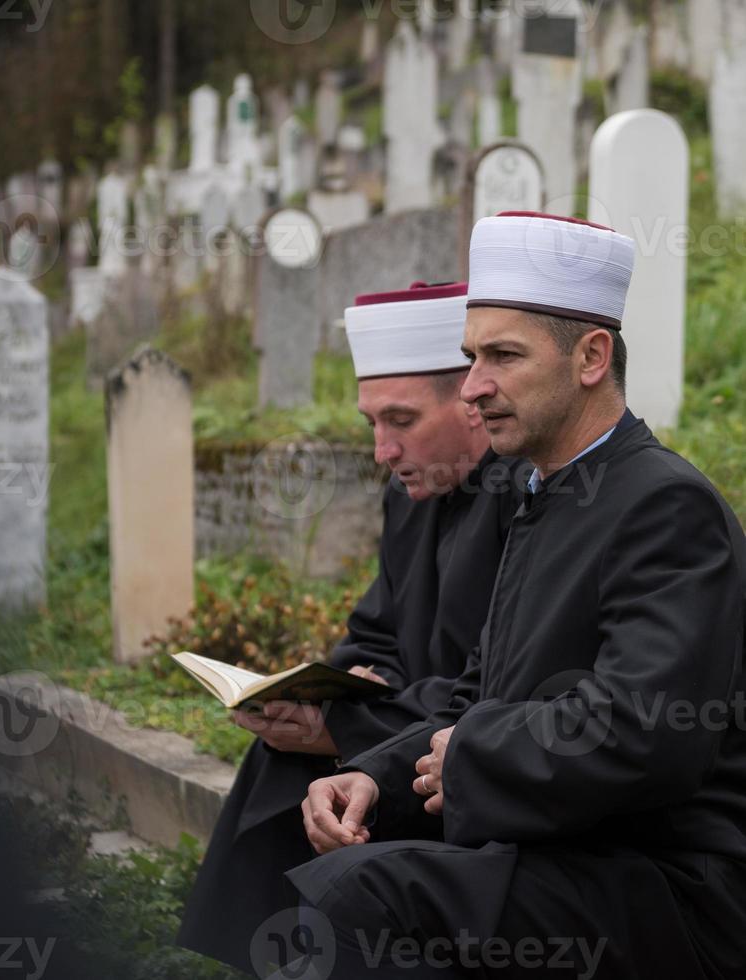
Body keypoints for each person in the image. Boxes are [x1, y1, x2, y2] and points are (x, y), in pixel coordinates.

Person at [291, 212, 746, 979]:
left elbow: (648, 735)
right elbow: (481, 691)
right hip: (569, 848)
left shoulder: (664, 504)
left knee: (367, 890)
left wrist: (473, 756)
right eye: (471, 357)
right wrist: (376, 774)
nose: (474, 386)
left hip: (663, 883)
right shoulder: (543, 492)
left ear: (592, 357)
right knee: (343, 845)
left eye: (503, 355)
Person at [177, 282, 527, 973]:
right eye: (372, 422)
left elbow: (497, 685)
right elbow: (374, 632)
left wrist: (351, 725)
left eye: (401, 420)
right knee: (284, 753)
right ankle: (262, 955)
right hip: (407, 719)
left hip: (459, 752)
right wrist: (318, 693)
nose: (382, 451)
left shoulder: (526, 502)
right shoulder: (411, 492)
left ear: (473, 403)